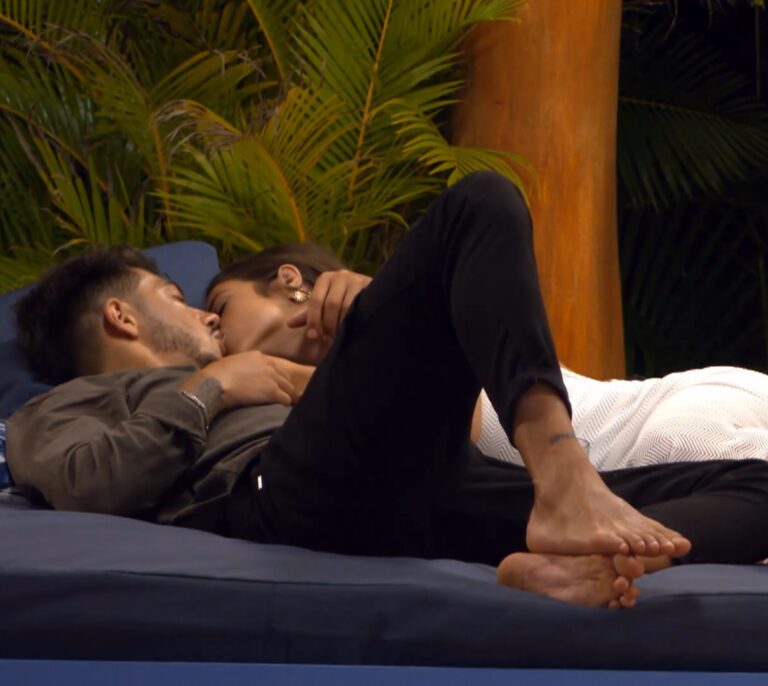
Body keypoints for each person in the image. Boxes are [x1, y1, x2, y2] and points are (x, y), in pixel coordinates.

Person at [7, 173, 768, 611]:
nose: (206, 315)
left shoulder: (272, 359)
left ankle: (597, 565)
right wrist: (209, 387)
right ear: (122, 315)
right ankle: (564, 480)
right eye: (176, 298)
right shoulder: (58, 408)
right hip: (283, 492)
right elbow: (87, 481)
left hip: (428, 485)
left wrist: (373, 314)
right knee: (479, 201)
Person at [206, 247, 768, 471]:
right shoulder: (298, 422)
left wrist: (280, 376)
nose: (213, 328)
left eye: (220, 307)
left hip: (663, 418)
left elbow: (456, 412)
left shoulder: (385, 309)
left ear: (287, 280)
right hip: (640, 458)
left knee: (681, 456)